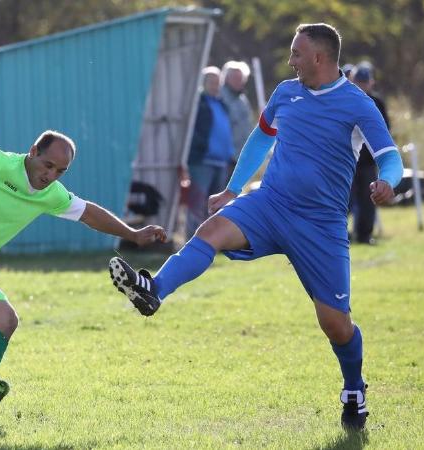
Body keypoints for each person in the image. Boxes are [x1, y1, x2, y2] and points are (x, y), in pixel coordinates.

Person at [108, 23, 403, 431]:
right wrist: (232, 188)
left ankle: (353, 387)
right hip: (270, 203)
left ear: (319, 57)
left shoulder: (358, 104)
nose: (290, 59)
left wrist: (388, 181)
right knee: (210, 231)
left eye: (297, 53)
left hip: (320, 225)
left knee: (335, 323)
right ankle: (154, 290)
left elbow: (391, 156)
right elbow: (261, 140)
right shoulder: (286, 93)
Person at [0, 131, 167, 424]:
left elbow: (88, 213)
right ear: (33, 151)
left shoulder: (51, 194)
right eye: (48, 165)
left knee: (6, 319)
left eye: (60, 171)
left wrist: (133, 234)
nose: (51, 176)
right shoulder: (0, 164)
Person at [186, 66, 235, 240]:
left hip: (221, 162)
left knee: (216, 206)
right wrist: (201, 146)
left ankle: (213, 240)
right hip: (202, 162)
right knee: (197, 203)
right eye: (212, 82)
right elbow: (191, 131)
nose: (215, 86)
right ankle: (192, 240)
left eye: (218, 82)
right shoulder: (198, 104)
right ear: (203, 84)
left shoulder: (222, 104)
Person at [349, 62, 391, 245]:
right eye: (359, 81)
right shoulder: (346, 102)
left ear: (371, 83)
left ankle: (364, 235)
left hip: (367, 162)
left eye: (365, 82)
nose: (363, 85)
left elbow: (385, 130)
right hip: (348, 161)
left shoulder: (378, 103)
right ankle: (339, 235)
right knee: (344, 200)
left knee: (368, 201)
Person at [219, 60, 255, 173]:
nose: (238, 81)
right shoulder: (220, 97)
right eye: (234, 78)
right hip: (225, 157)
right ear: (226, 78)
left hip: (240, 157)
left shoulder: (242, 100)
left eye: (241, 78)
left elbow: (248, 125)